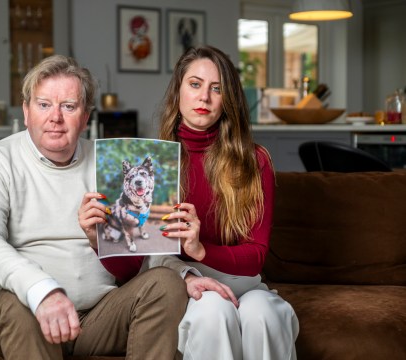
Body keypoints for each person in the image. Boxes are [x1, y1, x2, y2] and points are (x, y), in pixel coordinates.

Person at [0, 54, 188, 360]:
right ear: (26, 111)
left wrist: (185, 273)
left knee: (166, 284)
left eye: (68, 106)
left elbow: (144, 244)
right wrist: (41, 290)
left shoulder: (108, 161)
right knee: (19, 302)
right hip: (7, 317)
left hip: (93, 320)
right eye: (43, 105)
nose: (55, 117)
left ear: (85, 118)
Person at [78, 45, 299, 360]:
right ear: (178, 92)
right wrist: (99, 240)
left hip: (243, 282)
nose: (204, 97)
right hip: (184, 283)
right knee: (213, 312)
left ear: (228, 100)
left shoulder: (254, 160)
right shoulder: (153, 161)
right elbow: (130, 270)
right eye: (195, 84)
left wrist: (201, 249)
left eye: (216, 88)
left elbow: (256, 256)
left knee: (265, 315)